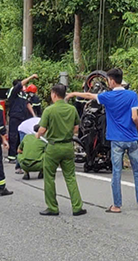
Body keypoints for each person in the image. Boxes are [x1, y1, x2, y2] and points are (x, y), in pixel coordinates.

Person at [67, 68, 138, 213]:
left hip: (116, 140)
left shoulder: (107, 97)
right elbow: (135, 117)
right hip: (132, 138)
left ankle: (116, 205)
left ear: (111, 80)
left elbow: (88, 95)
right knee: (137, 171)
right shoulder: (132, 95)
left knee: (116, 172)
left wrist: (72, 94)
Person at [35, 84, 86, 217]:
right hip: (68, 146)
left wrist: (38, 135)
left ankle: (52, 207)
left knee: (49, 177)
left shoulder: (49, 110)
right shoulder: (72, 109)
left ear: (54, 94)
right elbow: (76, 128)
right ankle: (77, 207)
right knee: (70, 177)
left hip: (53, 147)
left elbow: (42, 129)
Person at [7, 74, 38, 166]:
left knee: (23, 136)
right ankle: (12, 156)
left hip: (23, 118)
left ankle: (21, 154)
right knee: (13, 136)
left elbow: (27, 104)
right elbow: (20, 85)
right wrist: (31, 77)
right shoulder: (13, 92)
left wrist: (34, 115)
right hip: (15, 117)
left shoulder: (23, 95)